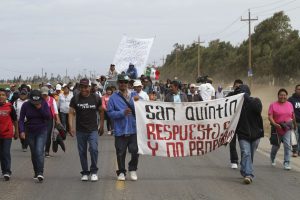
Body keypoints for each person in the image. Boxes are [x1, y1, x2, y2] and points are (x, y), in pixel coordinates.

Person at [68, 78, 104, 182]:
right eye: (82, 87)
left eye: (86, 87)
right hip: (80, 130)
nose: (84, 89)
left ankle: (94, 171)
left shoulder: (96, 98)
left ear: (89, 87)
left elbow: (101, 111)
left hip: (92, 129)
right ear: (79, 87)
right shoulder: (75, 99)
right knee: (82, 152)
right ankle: (85, 172)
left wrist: (101, 125)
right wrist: (71, 127)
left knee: (94, 149)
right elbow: (71, 112)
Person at [107, 74, 139, 181]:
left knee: (134, 151)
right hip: (120, 129)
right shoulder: (113, 98)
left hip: (134, 128)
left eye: (125, 82)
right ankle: (121, 172)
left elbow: (144, 107)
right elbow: (110, 113)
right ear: (118, 83)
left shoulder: (134, 95)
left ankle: (133, 169)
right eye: (121, 82)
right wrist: (122, 113)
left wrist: (138, 100)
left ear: (128, 83)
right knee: (120, 152)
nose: (123, 84)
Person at [233, 85, 264, 184]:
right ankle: (248, 175)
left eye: (243, 92)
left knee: (249, 155)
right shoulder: (236, 106)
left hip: (256, 135)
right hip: (243, 134)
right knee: (246, 153)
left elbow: (258, 109)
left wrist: (246, 98)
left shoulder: (256, 101)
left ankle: (244, 169)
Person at [19, 90, 51, 182]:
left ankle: (40, 172)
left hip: (42, 130)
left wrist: (40, 108)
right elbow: (21, 119)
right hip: (30, 131)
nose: (35, 104)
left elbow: (48, 117)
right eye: (34, 102)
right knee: (34, 153)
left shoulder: (44, 103)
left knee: (39, 151)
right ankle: (36, 172)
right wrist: (21, 131)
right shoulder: (26, 105)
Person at [268, 88, 296, 170]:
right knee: (276, 146)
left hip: (287, 128)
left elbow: (292, 115)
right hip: (277, 128)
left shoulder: (290, 104)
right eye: (281, 95)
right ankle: (272, 158)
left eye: (284, 95)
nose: (282, 97)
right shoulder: (273, 105)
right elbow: (270, 116)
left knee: (287, 145)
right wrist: (275, 124)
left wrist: (294, 125)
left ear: (286, 96)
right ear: (278, 96)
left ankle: (286, 163)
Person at [0, 88, 19, 181]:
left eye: (3, 95)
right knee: (1, 154)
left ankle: (7, 171)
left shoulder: (10, 107)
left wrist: (16, 132)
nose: (1, 97)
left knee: (6, 152)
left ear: (6, 96)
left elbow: (15, 120)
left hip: (7, 134)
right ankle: (4, 171)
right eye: (0, 95)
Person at [227, 79, 244, 169]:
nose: (238, 88)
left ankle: (244, 161)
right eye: (237, 86)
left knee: (243, 143)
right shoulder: (229, 96)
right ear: (234, 86)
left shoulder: (246, 96)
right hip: (232, 123)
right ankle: (234, 160)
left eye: (240, 87)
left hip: (242, 123)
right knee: (232, 142)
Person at [40, 86, 61, 157]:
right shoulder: (38, 100)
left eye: (46, 94)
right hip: (40, 120)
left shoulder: (52, 100)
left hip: (49, 120)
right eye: (43, 94)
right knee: (41, 134)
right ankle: (40, 150)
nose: (44, 96)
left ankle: (47, 151)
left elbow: (55, 111)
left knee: (48, 134)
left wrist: (57, 120)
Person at [288, 84, 300, 157]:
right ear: (295, 90)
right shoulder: (291, 99)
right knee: (295, 137)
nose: (299, 90)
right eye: (298, 89)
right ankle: (295, 151)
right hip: (294, 122)